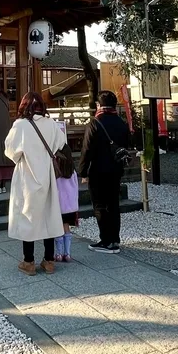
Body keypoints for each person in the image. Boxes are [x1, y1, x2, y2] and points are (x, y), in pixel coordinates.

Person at [4, 92, 66, 275]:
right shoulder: (51, 124)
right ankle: (49, 260)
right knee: (48, 215)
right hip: (46, 175)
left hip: (27, 175)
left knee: (27, 216)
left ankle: (28, 261)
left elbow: (11, 151)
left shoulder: (20, 125)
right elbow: (60, 143)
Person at [80, 90, 130, 254]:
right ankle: (115, 239)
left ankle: (106, 240)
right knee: (114, 204)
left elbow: (87, 149)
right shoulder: (122, 123)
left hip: (98, 170)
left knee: (100, 205)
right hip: (116, 169)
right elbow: (126, 145)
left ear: (99, 105)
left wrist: (83, 171)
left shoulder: (95, 123)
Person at [55, 155, 80, 262]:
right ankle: (68, 253)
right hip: (70, 205)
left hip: (58, 205)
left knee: (57, 229)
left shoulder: (56, 174)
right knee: (66, 227)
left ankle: (58, 254)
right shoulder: (72, 172)